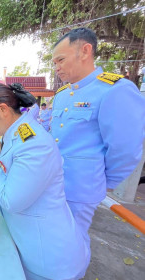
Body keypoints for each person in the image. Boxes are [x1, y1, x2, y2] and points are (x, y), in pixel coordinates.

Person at [51, 27, 145, 275]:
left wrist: (104, 182)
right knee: (54, 244)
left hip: (81, 188)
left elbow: (126, 150)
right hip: (52, 183)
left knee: (72, 246)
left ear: (85, 51)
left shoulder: (115, 89)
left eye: (61, 59)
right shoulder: (62, 95)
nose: (56, 67)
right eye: (54, 62)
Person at [0, 82, 87, 280]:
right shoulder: (17, 132)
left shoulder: (34, 144)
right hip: (31, 243)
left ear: (3, 110)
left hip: (49, 258)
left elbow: (12, 200)